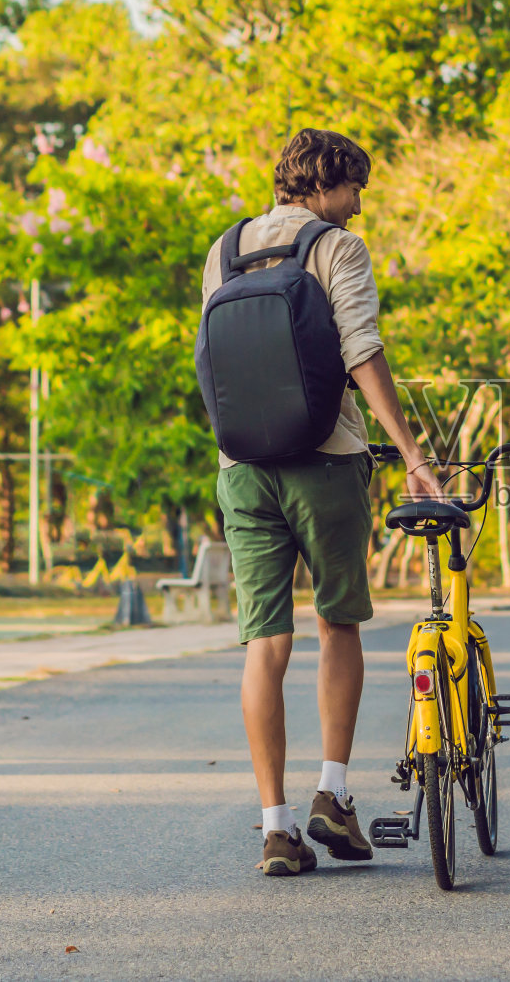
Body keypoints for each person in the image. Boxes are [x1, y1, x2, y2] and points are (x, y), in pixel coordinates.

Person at [200, 128, 444, 877]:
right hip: (326, 460)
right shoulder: (337, 248)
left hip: (242, 467)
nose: (358, 206)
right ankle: (332, 796)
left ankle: (275, 828)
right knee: (338, 623)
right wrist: (412, 454)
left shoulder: (224, 249)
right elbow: (361, 351)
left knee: (264, 642)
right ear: (324, 183)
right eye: (354, 189)